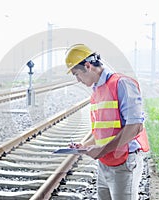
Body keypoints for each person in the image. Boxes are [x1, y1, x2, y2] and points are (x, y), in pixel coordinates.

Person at [64, 44, 150, 200]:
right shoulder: (97, 91)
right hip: (105, 163)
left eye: (77, 74)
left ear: (88, 66)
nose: (77, 79)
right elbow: (101, 130)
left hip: (124, 163)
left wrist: (102, 149)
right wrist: (85, 146)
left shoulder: (122, 84)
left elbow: (135, 127)